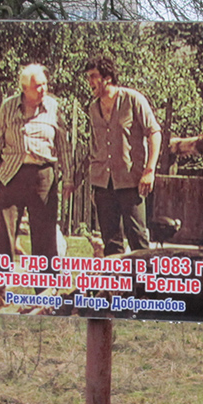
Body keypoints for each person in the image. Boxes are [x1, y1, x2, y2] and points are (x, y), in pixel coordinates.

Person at [0, 64, 73, 303]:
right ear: (24, 89)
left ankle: (47, 293)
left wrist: (69, 178)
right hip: (11, 176)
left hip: (44, 176)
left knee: (45, 238)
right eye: (37, 86)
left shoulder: (53, 107)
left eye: (44, 84)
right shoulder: (8, 107)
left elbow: (63, 145)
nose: (42, 89)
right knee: (5, 235)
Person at [84, 55, 162, 256]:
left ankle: (146, 287)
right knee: (111, 242)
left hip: (130, 182)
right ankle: (117, 286)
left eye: (93, 76)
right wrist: (95, 184)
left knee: (138, 239)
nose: (89, 82)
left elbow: (154, 132)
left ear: (107, 77)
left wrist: (149, 170)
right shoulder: (93, 108)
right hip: (103, 184)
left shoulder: (133, 100)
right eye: (88, 77)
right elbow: (94, 146)